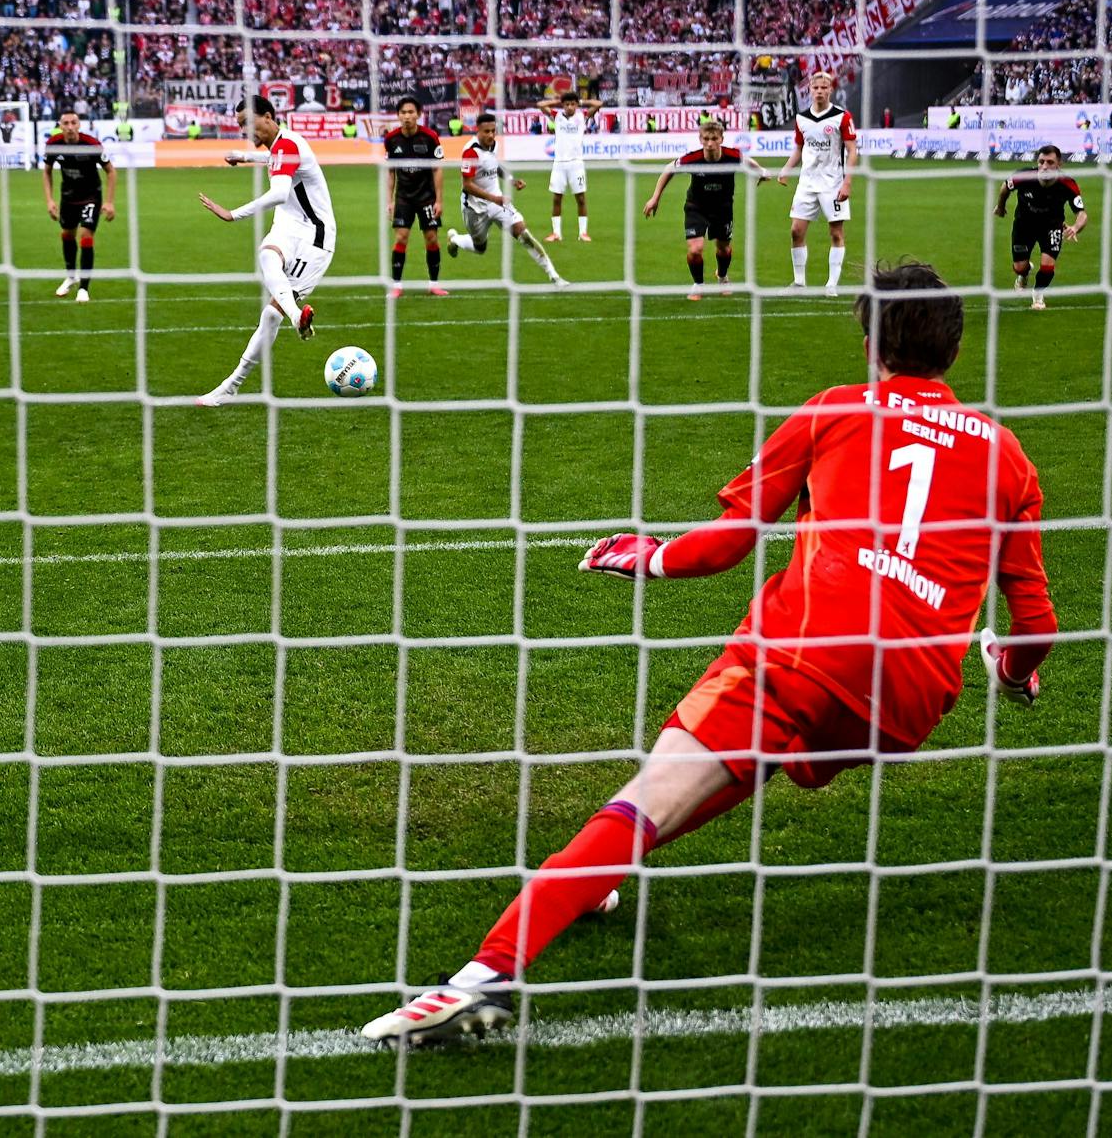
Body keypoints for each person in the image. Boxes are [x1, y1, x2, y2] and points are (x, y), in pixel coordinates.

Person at [359, 260, 1056, 1047]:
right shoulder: (1009, 457)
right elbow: (1035, 621)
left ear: (871, 343)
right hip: (905, 706)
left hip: (805, 652)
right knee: (732, 760)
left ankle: (477, 979)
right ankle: (600, 881)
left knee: (648, 796)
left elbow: (728, 544)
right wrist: (1012, 668)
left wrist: (648, 554)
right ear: (954, 354)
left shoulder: (836, 411)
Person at [194, 95, 331, 407]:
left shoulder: (289, 145)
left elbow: (280, 192)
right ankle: (297, 318)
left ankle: (231, 386)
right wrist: (243, 156)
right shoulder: (283, 144)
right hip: (290, 223)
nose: (246, 131)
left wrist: (233, 213)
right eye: (241, 126)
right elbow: (275, 160)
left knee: (270, 315)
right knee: (266, 254)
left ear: (268, 117)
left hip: (315, 235)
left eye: (249, 123)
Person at [642, 116, 766, 299]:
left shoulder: (732, 156)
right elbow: (669, 168)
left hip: (723, 208)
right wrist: (655, 197)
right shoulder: (693, 159)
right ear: (700, 140)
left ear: (721, 139)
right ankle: (698, 284)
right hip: (696, 207)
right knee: (695, 249)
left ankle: (722, 276)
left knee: (723, 249)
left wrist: (761, 172)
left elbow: (748, 161)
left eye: (714, 139)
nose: (710, 143)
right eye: (706, 139)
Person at [445, 112, 566, 288]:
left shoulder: (493, 145)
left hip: (498, 204)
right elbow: (467, 185)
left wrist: (511, 180)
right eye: (486, 131)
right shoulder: (471, 152)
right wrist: (494, 198)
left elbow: (494, 165)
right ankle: (455, 239)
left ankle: (554, 276)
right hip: (474, 208)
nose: (491, 135)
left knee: (524, 234)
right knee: (480, 248)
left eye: (493, 131)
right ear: (477, 131)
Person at [771, 71, 858, 296]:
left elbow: (852, 151)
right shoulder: (801, 119)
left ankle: (831, 284)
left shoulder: (842, 116)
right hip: (807, 183)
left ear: (830, 89)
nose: (819, 91)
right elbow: (800, 149)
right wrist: (786, 169)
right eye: (815, 87)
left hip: (833, 184)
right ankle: (799, 282)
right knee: (796, 231)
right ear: (809, 89)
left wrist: (847, 182)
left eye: (823, 87)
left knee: (836, 234)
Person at [995, 144, 1088, 311]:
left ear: (1059, 164)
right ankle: (1024, 274)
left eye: (1050, 162)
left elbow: (1082, 214)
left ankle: (1038, 294)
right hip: (1024, 225)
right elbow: (1004, 188)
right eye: (1041, 161)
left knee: (1048, 266)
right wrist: (1000, 207)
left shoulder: (1067, 184)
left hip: (1052, 226)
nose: (1045, 166)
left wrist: (1075, 227)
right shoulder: (1023, 176)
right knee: (1019, 267)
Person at [42, 110, 117, 301]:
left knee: (85, 236)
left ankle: (84, 288)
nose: (69, 127)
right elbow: (47, 172)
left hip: (91, 196)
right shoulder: (53, 145)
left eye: (73, 122)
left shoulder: (91, 145)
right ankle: (70, 276)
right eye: (65, 123)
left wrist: (109, 202)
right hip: (68, 197)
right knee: (67, 234)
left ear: (79, 125)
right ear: (60, 126)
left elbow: (111, 171)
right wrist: (49, 200)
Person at [383, 95, 448, 300]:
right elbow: (390, 172)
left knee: (431, 239)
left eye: (411, 112)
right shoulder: (391, 139)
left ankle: (434, 284)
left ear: (419, 114)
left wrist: (439, 200)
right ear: (398, 115)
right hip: (404, 198)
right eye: (403, 113)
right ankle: (397, 285)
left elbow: (437, 169)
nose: (407, 116)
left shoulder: (430, 137)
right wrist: (389, 201)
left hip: (427, 197)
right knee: (401, 238)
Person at [536, 89, 604, 242]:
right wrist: (557, 101)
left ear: (576, 105)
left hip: (576, 164)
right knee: (556, 198)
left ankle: (583, 233)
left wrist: (581, 102)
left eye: (573, 104)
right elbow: (540, 104)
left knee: (580, 198)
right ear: (563, 105)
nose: (570, 107)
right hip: (559, 164)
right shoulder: (557, 116)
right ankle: (556, 233)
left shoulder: (582, 117)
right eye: (567, 104)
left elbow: (599, 104)